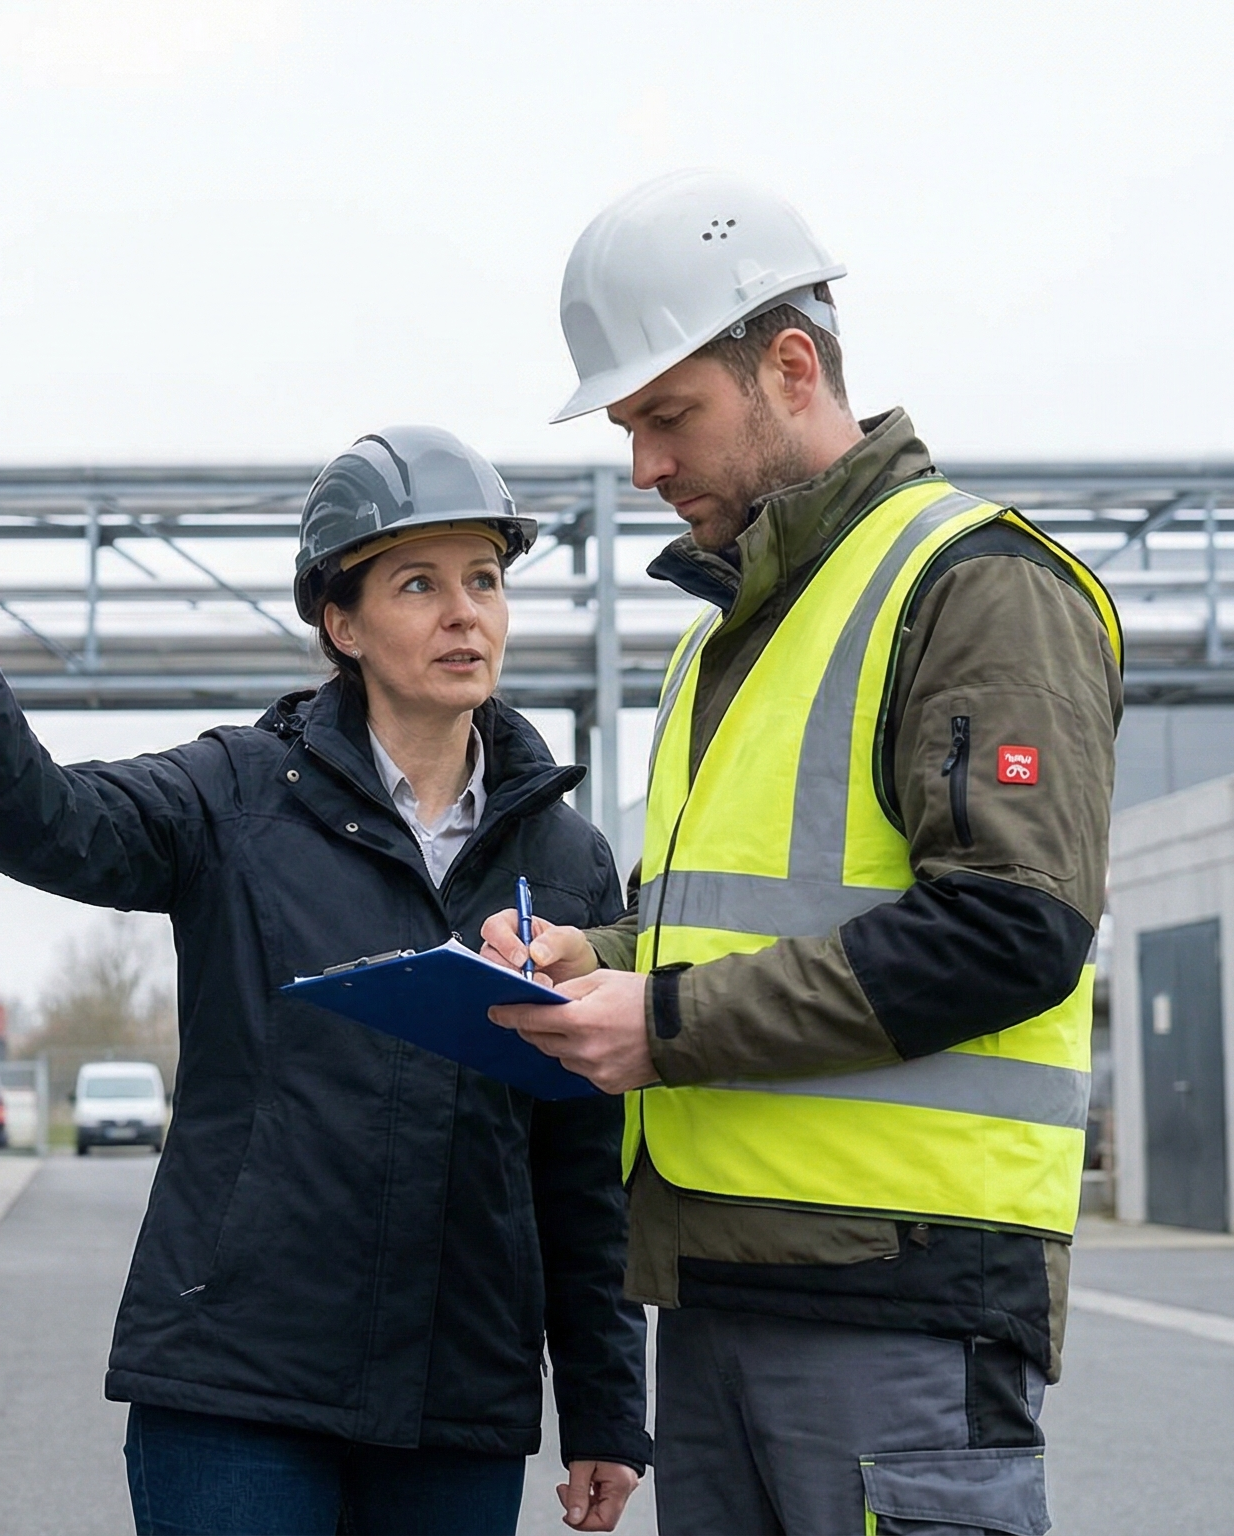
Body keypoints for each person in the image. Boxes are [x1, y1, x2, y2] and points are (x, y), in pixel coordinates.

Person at [0, 426, 650, 1535]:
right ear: (340, 622)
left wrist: (602, 1407)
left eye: (484, 579)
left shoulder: (566, 859)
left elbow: (578, 1169)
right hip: (236, 1386)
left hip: (457, 1401)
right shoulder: (239, 797)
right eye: (418, 583)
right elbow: (48, 826)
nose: (464, 612)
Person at [483, 171, 1124, 1535]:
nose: (645, 466)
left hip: (903, 1303)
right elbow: (725, 932)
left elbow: (1012, 928)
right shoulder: (730, 639)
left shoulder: (975, 585)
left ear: (788, 367)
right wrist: (590, 961)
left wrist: (659, 1021)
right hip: (718, 1291)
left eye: (669, 417)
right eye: (628, 428)